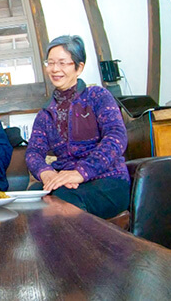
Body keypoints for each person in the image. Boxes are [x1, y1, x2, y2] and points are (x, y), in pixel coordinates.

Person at [25, 35, 130, 219]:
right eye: (50, 63)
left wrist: (81, 172)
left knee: (61, 200)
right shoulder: (45, 113)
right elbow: (33, 152)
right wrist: (46, 172)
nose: (55, 69)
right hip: (66, 183)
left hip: (107, 180)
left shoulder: (97, 96)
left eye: (63, 63)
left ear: (79, 67)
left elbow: (116, 137)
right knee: (31, 200)